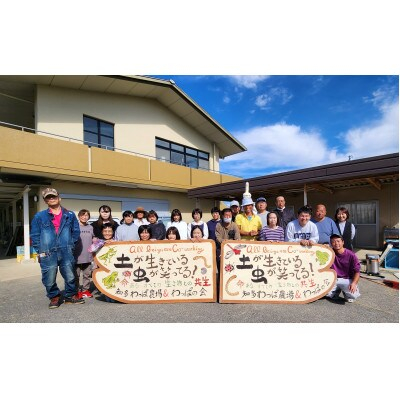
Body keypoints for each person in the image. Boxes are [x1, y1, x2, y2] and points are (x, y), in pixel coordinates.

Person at [30, 187, 84, 309]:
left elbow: (75, 231)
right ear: (45, 201)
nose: (51, 198)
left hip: (66, 250)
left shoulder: (69, 215)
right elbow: (35, 235)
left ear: (59, 198)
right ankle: (54, 296)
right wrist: (40, 251)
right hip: (47, 252)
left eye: (53, 196)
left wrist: (70, 245)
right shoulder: (39, 216)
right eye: (48, 197)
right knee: (48, 277)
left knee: (70, 275)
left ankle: (70, 295)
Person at [325, 234, 361, 302]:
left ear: (343, 242)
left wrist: (354, 283)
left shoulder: (351, 255)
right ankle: (336, 292)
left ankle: (345, 292)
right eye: (333, 242)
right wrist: (324, 247)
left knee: (352, 296)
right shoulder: (329, 253)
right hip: (334, 279)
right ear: (331, 244)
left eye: (338, 241)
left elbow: (357, 271)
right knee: (327, 294)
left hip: (347, 279)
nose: (336, 243)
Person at [74, 209, 95, 299]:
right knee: (76, 275)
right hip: (76, 255)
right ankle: (76, 291)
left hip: (88, 255)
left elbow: (94, 238)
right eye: (82, 215)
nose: (84, 217)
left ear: (89, 217)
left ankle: (85, 290)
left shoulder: (90, 227)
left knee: (87, 275)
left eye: (86, 215)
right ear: (79, 216)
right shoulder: (74, 227)